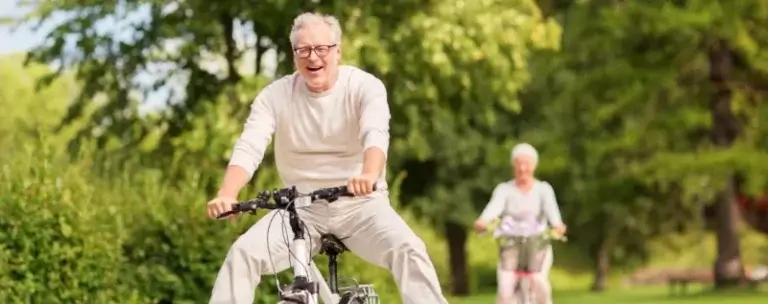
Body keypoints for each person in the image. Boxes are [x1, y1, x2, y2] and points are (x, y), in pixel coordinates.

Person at [204, 12, 448, 304]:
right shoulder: (275, 96)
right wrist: (228, 193)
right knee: (243, 254)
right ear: (294, 55)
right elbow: (250, 145)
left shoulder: (364, 87)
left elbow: (375, 133)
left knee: (409, 250)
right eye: (303, 50)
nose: (313, 57)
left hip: (361, 206)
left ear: (338, 51)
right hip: (300, 210)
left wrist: (369, 174)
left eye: (322, 48)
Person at [474, 143, 567, 304]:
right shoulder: (504, 190)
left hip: (537, 245)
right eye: (519, 163)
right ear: (513, 166)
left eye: (527, 163)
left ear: (534, 166)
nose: (523, 168)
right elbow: (493, 209)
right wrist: (483, 222)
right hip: (511, 245)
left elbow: (553, 215)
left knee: (539, 281)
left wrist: (558, 226)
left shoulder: (543, 190)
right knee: (505, 288)